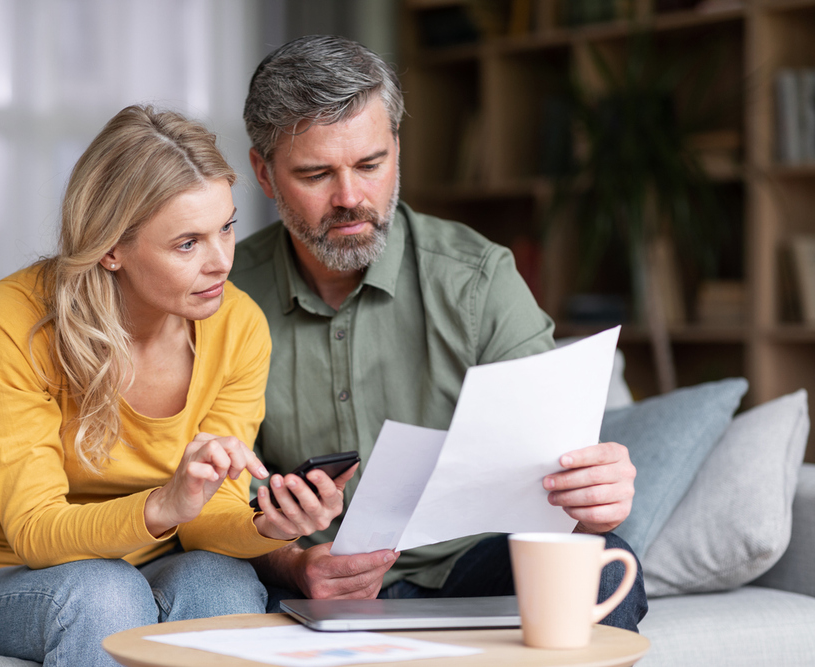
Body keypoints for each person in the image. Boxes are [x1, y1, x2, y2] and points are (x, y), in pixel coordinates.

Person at [229, 35, 648, 630]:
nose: (351, 198)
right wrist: (294, 565)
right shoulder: (221, 297)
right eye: (317, 173)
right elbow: (207, 501)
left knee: (603, 565)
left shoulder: (478, 279)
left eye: (370, 165)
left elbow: (555, 473)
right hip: (298, 577)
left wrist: (594, 502)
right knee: (216, 588)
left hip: (467, 563)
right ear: (264, 174)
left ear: (397, 148)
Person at [0, 105, 350, 667]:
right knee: (105, 593)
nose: (222, 262)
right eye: (187, 243)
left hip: (151, 567)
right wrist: (165, 504)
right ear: (112, 248)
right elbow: (33, 531)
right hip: (0, 577)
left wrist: (269, 526)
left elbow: (208, 522)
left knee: (225, 586)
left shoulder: (238, 326)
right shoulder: (17, 316)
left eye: (227, 227)